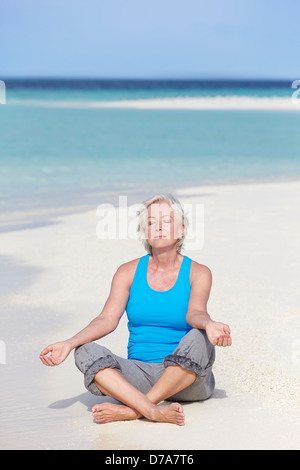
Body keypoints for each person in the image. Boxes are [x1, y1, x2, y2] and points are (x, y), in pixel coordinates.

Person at [40, 193, 232, 426]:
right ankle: (152, 410)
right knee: (84, 350)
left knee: (200, 336)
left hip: (185, 381)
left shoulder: (198, 272)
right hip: (138, 375)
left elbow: (196, 314)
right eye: (151, 222)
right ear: (145, 231)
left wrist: (209, 325)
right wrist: (69, 343)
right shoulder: (128, 272)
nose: (158, 227)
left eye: (166, 221)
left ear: (181, 229)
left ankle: (133, 410)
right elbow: (106, 319)